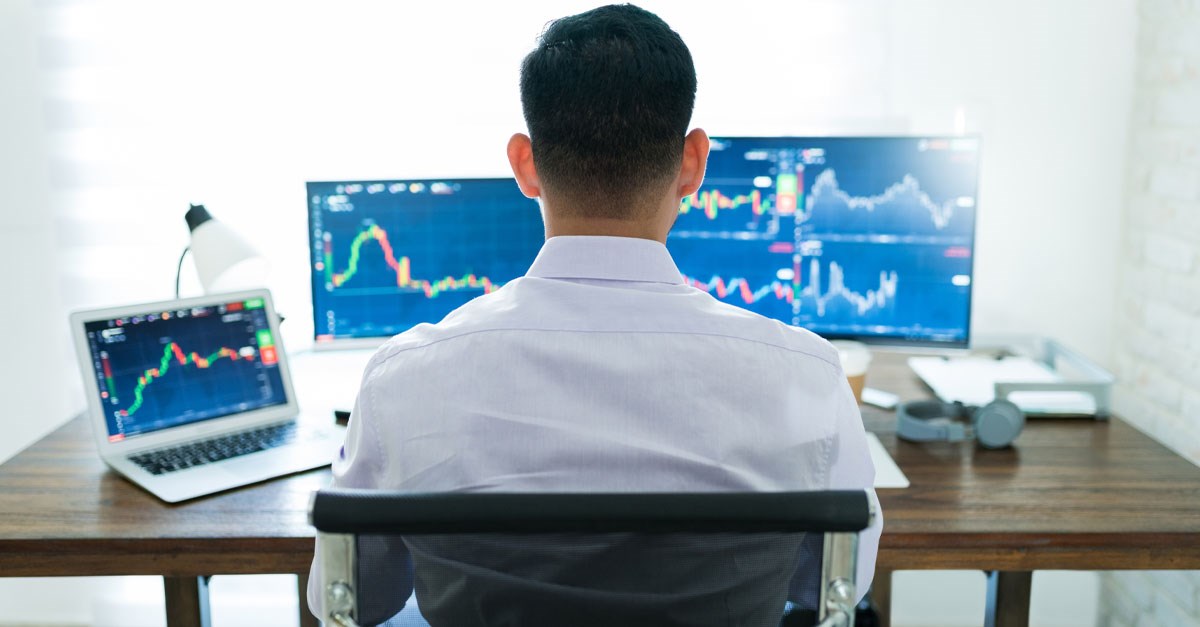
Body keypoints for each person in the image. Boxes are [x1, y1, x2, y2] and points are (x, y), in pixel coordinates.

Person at [309, 4, 881, 625]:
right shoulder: (807, 377)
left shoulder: (402, 377)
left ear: (524, 164)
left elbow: (351, 597)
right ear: (693, 162)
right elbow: (834, 585)